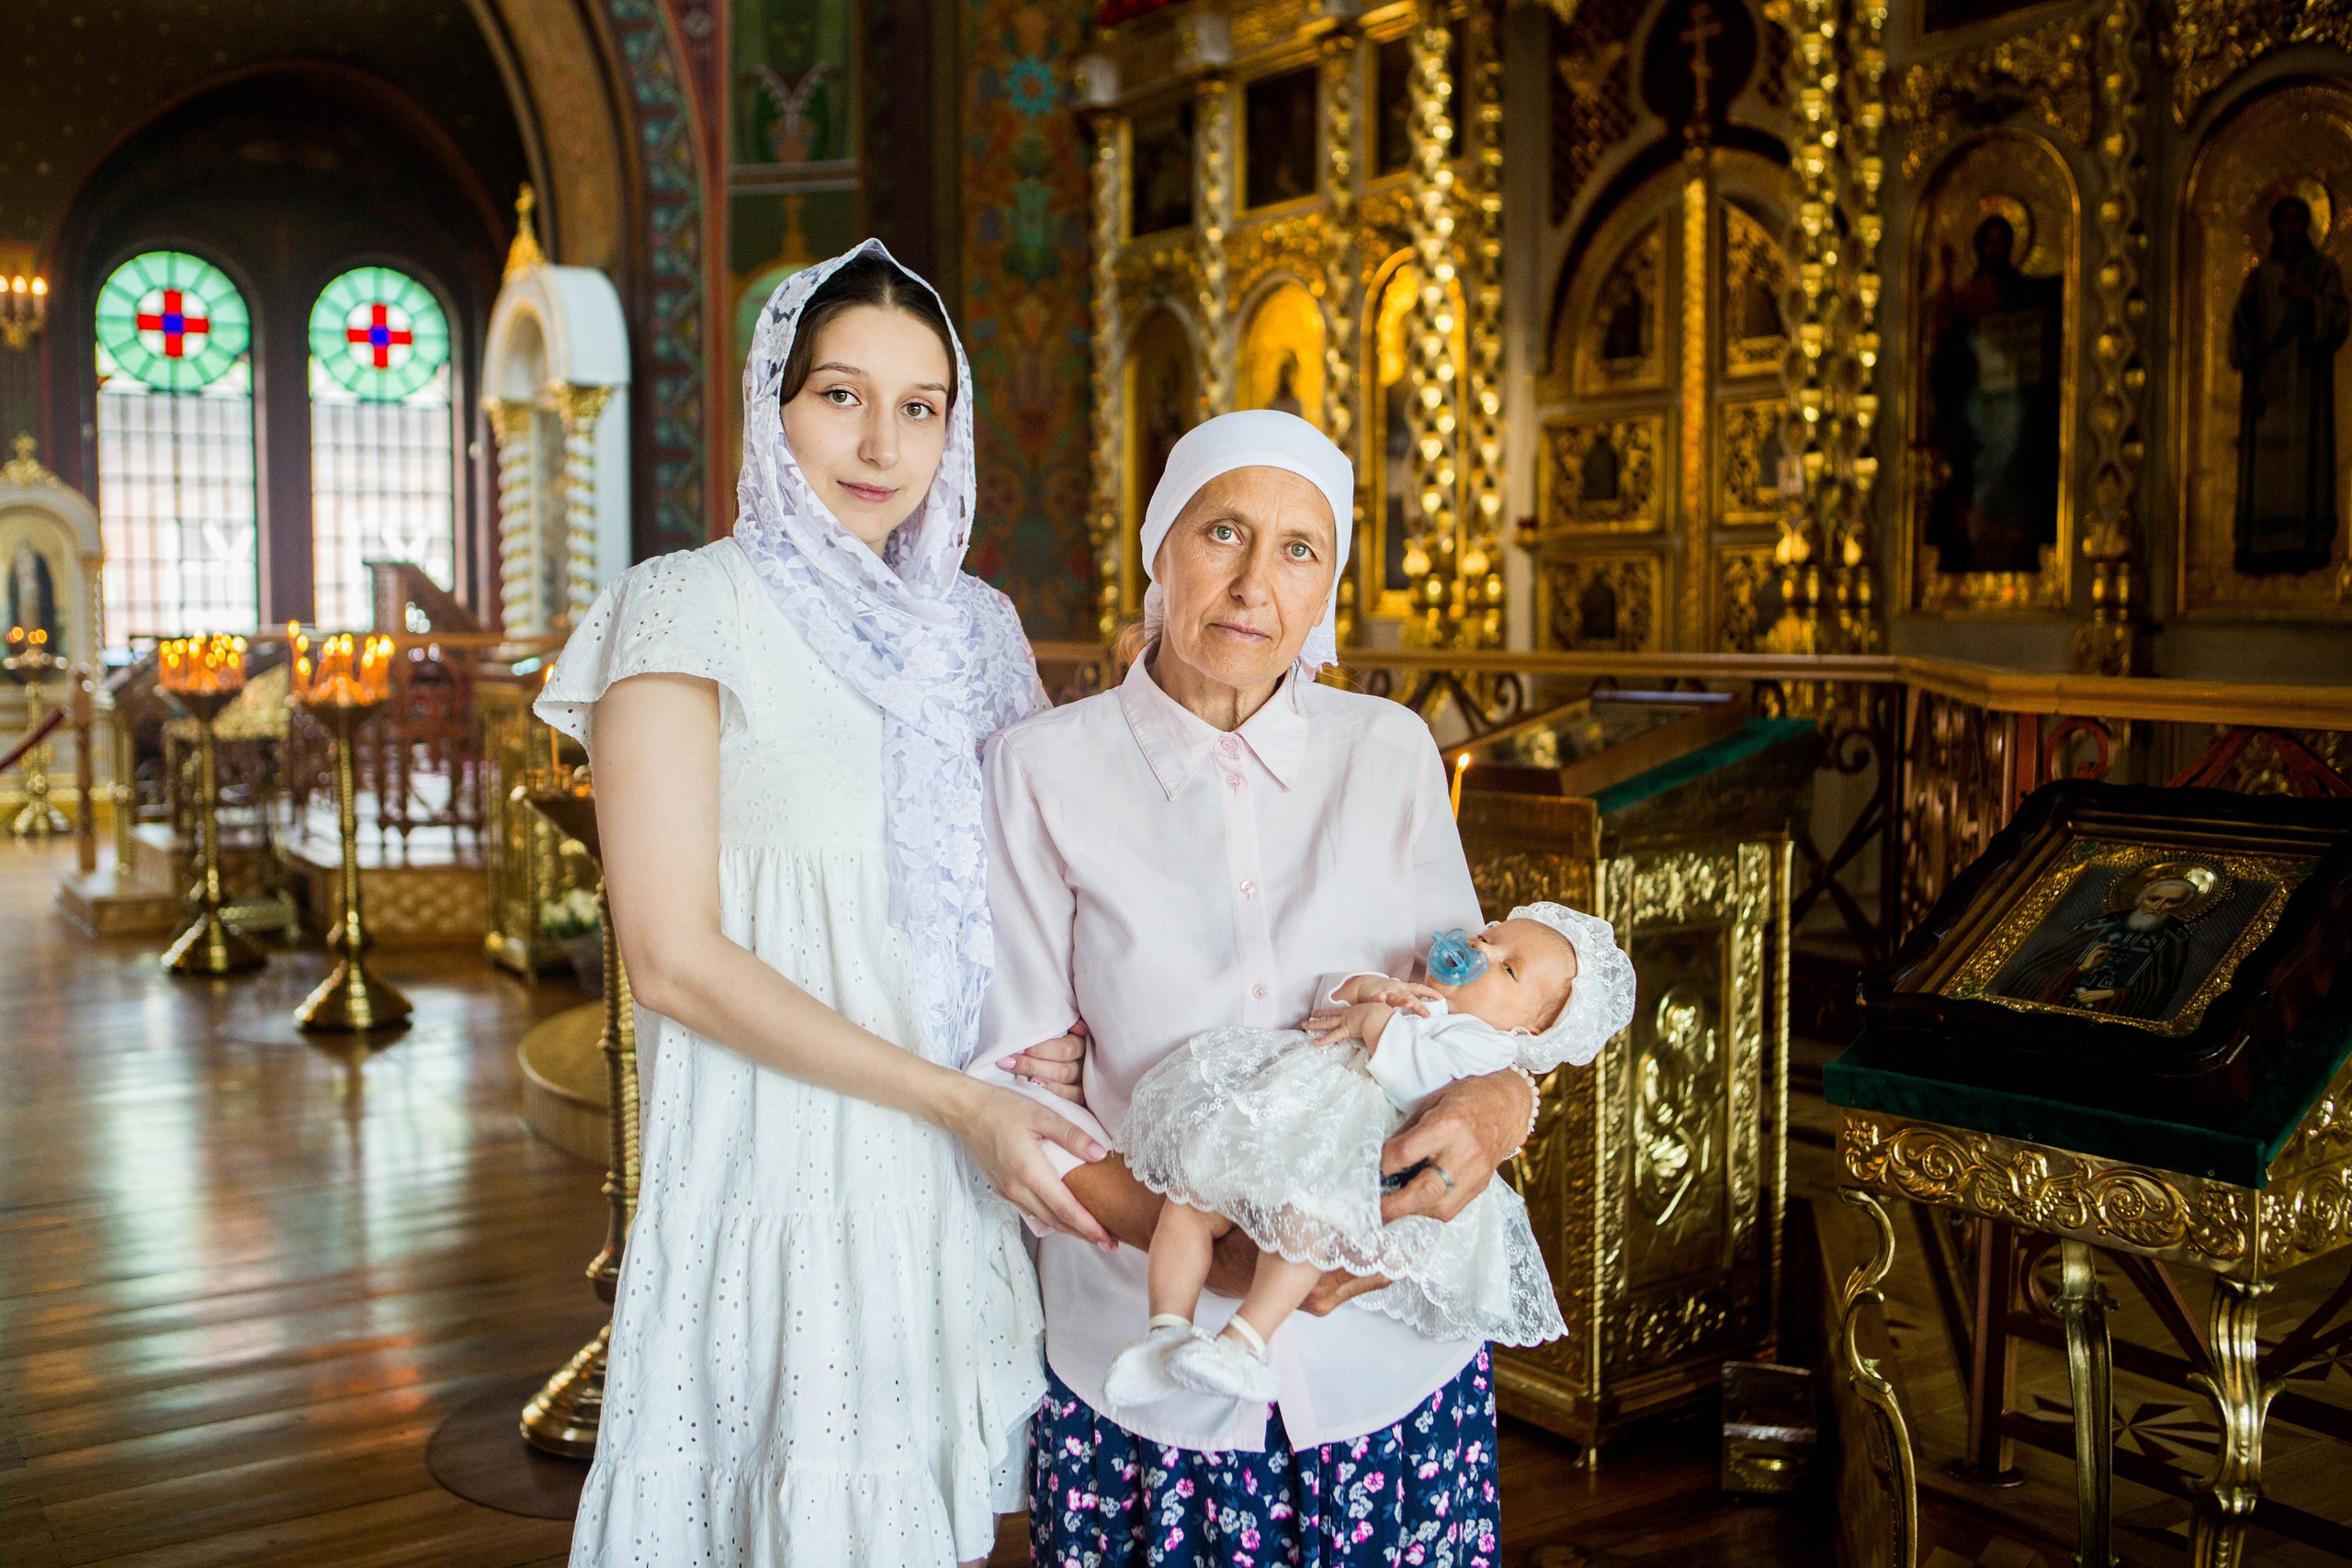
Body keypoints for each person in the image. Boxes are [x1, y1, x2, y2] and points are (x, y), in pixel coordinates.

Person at [539, 241, 1107, 1568]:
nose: (881, 443)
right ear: (771, 406)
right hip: (781, 1152)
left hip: (953, 1170)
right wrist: (958, 1098)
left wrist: (1048, 1031)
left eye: (920, 406)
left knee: (927, 1521)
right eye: (839, 395)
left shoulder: (975, 629)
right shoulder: (686, 606)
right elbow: (672, 959)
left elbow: (1023, 888)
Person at [976, 410, 1540, 1566]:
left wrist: (1493, 1112)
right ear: (1159, 548)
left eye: (1298, 550)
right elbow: (1023, 1097)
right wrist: (1238, 1262)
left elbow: (1472, 1020)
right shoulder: (1043, 769)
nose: (1251, 585)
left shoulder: (1387, 752)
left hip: (1384, 1352)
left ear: (1327, 584)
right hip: (1145, 1364)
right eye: (1221, 532)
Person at [1103, 908, 1633, 1405]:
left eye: (1507, 969)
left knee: (1302, 1225)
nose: (1481, 951)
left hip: (1340, 1148)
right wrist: (1367, 989)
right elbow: (1326, 1006)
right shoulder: (1417, 995)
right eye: (1488, 938)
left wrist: (1375, 1021)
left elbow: (1418, 1079)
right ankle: (1166, 1335)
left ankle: (1244, 1343)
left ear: (1530, 1029)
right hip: (1283, 1122)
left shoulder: (1486, 1047)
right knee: (1190, 1198)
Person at [1924, 213, 2065, 575]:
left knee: (2015, 465)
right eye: (1989, 241)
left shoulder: (2025, 292)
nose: (1995, 248)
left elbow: (2041, 333)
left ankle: (2018, 536)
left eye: (2002, 240)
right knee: (1975, 466)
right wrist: (1945, 272)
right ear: (1979, 247)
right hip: (1979, 402)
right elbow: (1948, 333)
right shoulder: (1969, 294)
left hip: (2017, 403)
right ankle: (1973, 534)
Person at [2230, 194, 2349, 577]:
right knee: (2266, 468)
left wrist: (2310, 300)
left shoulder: (2322, 271)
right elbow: (2241, 337)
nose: (2292, 228)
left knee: (2304, 464)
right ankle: (2259, 550)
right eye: (2285, 220)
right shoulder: (2260, 274)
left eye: (2299, 220)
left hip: (2307, 390)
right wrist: (2246, 304)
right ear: (2274, 227)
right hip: (2268, 388)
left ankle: (2306, 547)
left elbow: (2339, 317)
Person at [1998, 874, 2199, 1021]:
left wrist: (2112, 994)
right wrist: (2079, 970)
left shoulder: (2174, 938)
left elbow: (2158, 991)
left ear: (2180, 906)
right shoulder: (2102, 925)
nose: (2158, 906)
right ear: (2141, 897)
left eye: (2171, 902)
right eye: (2154, 898)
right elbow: (2034, 973)